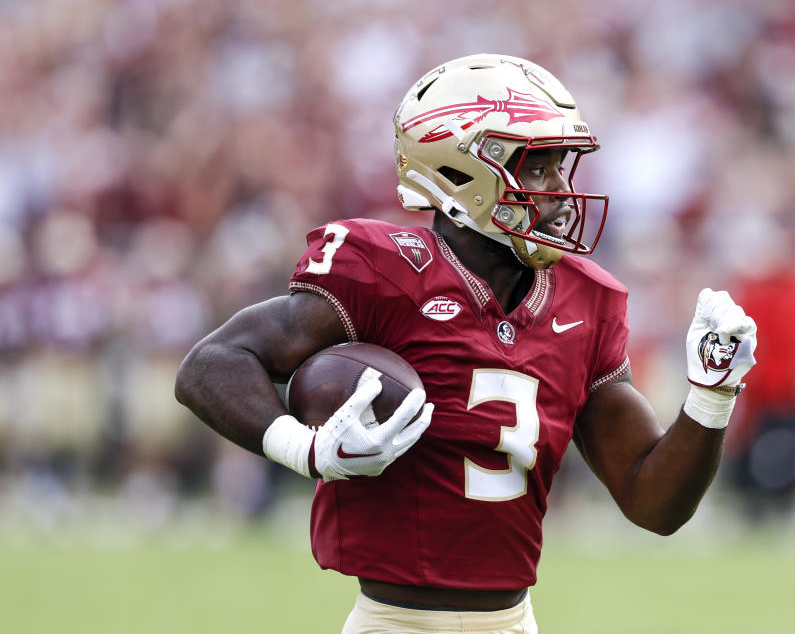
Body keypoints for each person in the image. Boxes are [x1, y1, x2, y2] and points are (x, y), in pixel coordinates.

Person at [175, 54, 758, 634]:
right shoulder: (385, 272)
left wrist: (712, 393)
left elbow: (652, 502)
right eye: (537, 169)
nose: (560, 191)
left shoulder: (588, 301)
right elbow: (210, 365)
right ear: (461, 171)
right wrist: (307, 451)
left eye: (562, 167)